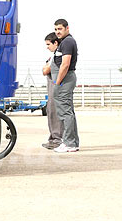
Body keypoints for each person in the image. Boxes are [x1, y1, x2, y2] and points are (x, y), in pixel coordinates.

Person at [52, 18, 80, 153]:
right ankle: (73, 142)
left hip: (65, 79)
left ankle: (69, 143)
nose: (57, 32)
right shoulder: (65, 41)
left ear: (67, 28)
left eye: (60, 29)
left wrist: (57, 82)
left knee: (65, 112)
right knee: (68, 112)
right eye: (56, 29)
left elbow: (65, 64)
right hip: (65, 79)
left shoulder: (67, 42)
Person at [41, 32, 63, 149]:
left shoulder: (57, 56)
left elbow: (45, 70)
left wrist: (46, 68)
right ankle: (53, 138)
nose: (47, 47)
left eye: (49, 44)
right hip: (51, 89)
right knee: (51, 112)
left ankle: (57, 139)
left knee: (55, 113)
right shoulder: (53, 56)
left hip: (56, 89)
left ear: (56, 43)